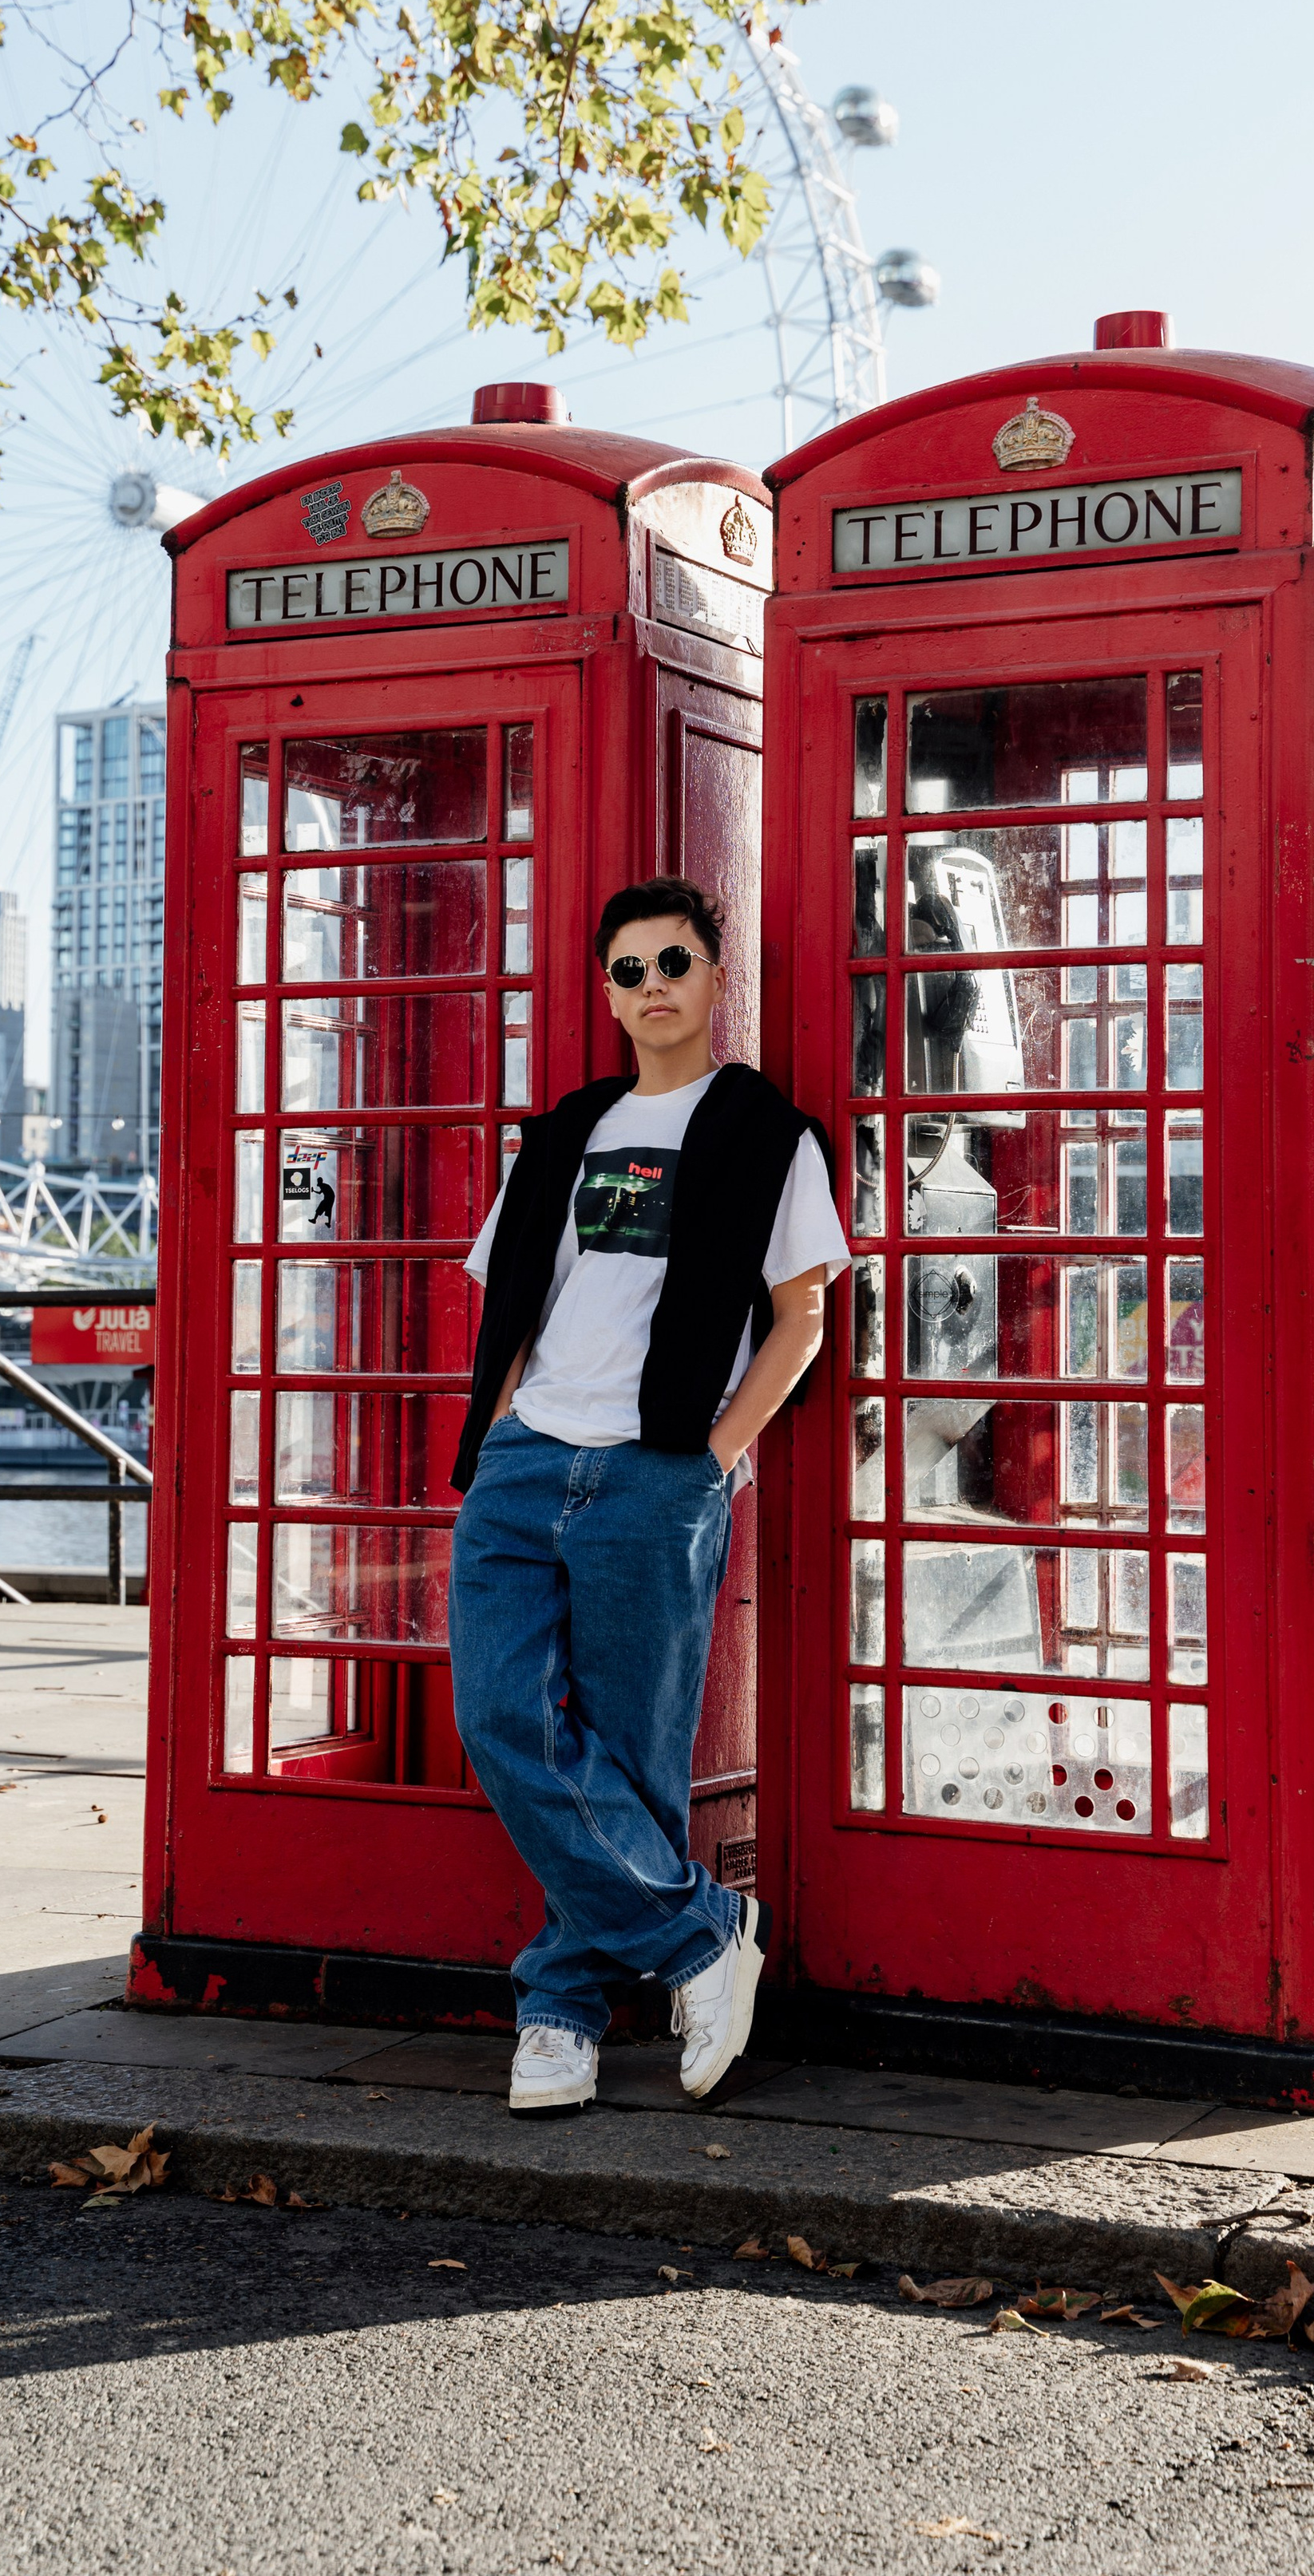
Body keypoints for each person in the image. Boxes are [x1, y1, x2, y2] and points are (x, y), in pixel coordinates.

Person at [449, 875, 850, 2118]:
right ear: (607, 995)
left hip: (655, 1470)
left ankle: (559, 2010)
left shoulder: (765, 1134)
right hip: (525, 1463)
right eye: (629, 969)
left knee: (629, 1755)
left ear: (716, 979)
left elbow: (803, 1318)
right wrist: (511, 1414)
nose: (653, 985)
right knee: (501, 1718)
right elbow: (509, 1290)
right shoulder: (565, 1130)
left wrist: (715, 1453)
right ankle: (700, 1939)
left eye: (675, 961)